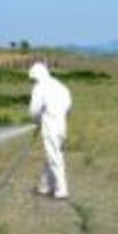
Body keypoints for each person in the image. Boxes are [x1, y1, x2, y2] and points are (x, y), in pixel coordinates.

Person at [29, 62, 72, 199]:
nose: (33, 81)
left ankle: (61, 190)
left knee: (54, 158)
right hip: (62, 125)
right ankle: (44, 186)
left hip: (50, 126)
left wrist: (37, 121)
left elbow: (34, 110)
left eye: (33, 79)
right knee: (53, 155)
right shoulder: (60, 86)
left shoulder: (40, 87)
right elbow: (69, 105)